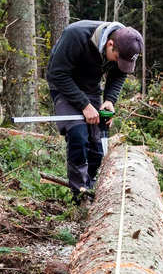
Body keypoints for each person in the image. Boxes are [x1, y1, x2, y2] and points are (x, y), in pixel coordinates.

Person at [46, 21, 144, 203]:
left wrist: (109, 100)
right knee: (78, 134)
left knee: (96, 142)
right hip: (63, 84)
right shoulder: (76, 35)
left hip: (90, 88)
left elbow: (119, 74)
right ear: (110, 44)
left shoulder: (123, 45)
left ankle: (94, 187)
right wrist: (84, 105)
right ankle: (80, 194)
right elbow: (56, 74)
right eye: (117, 58)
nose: (117, 63)